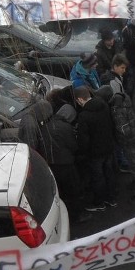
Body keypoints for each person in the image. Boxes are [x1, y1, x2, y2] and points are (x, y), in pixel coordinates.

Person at [44, 90, 91, 224]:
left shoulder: (46, 126)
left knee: (62, 192)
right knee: (74, 190)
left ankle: (65, 214)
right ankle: (78, 215)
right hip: (66, 164)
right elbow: (73, 146)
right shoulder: (65, 127)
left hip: (52, 164)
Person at [105, 56, 135, 203]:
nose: (124, 71)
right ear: (115, 66)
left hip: (128, 139)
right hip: (132, 136)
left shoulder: (119, 104)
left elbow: (122, 125)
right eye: (122, 68)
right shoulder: (115, 85)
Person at [74, 85, 117, 210]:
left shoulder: (84, 116)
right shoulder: (103, 105)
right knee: (109, 173)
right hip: (108, 147)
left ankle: (99, 202)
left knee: (98, 177)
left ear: (80, 99)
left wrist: (82, 152)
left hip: (95, 153)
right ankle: (112, 198)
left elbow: (84, 139)